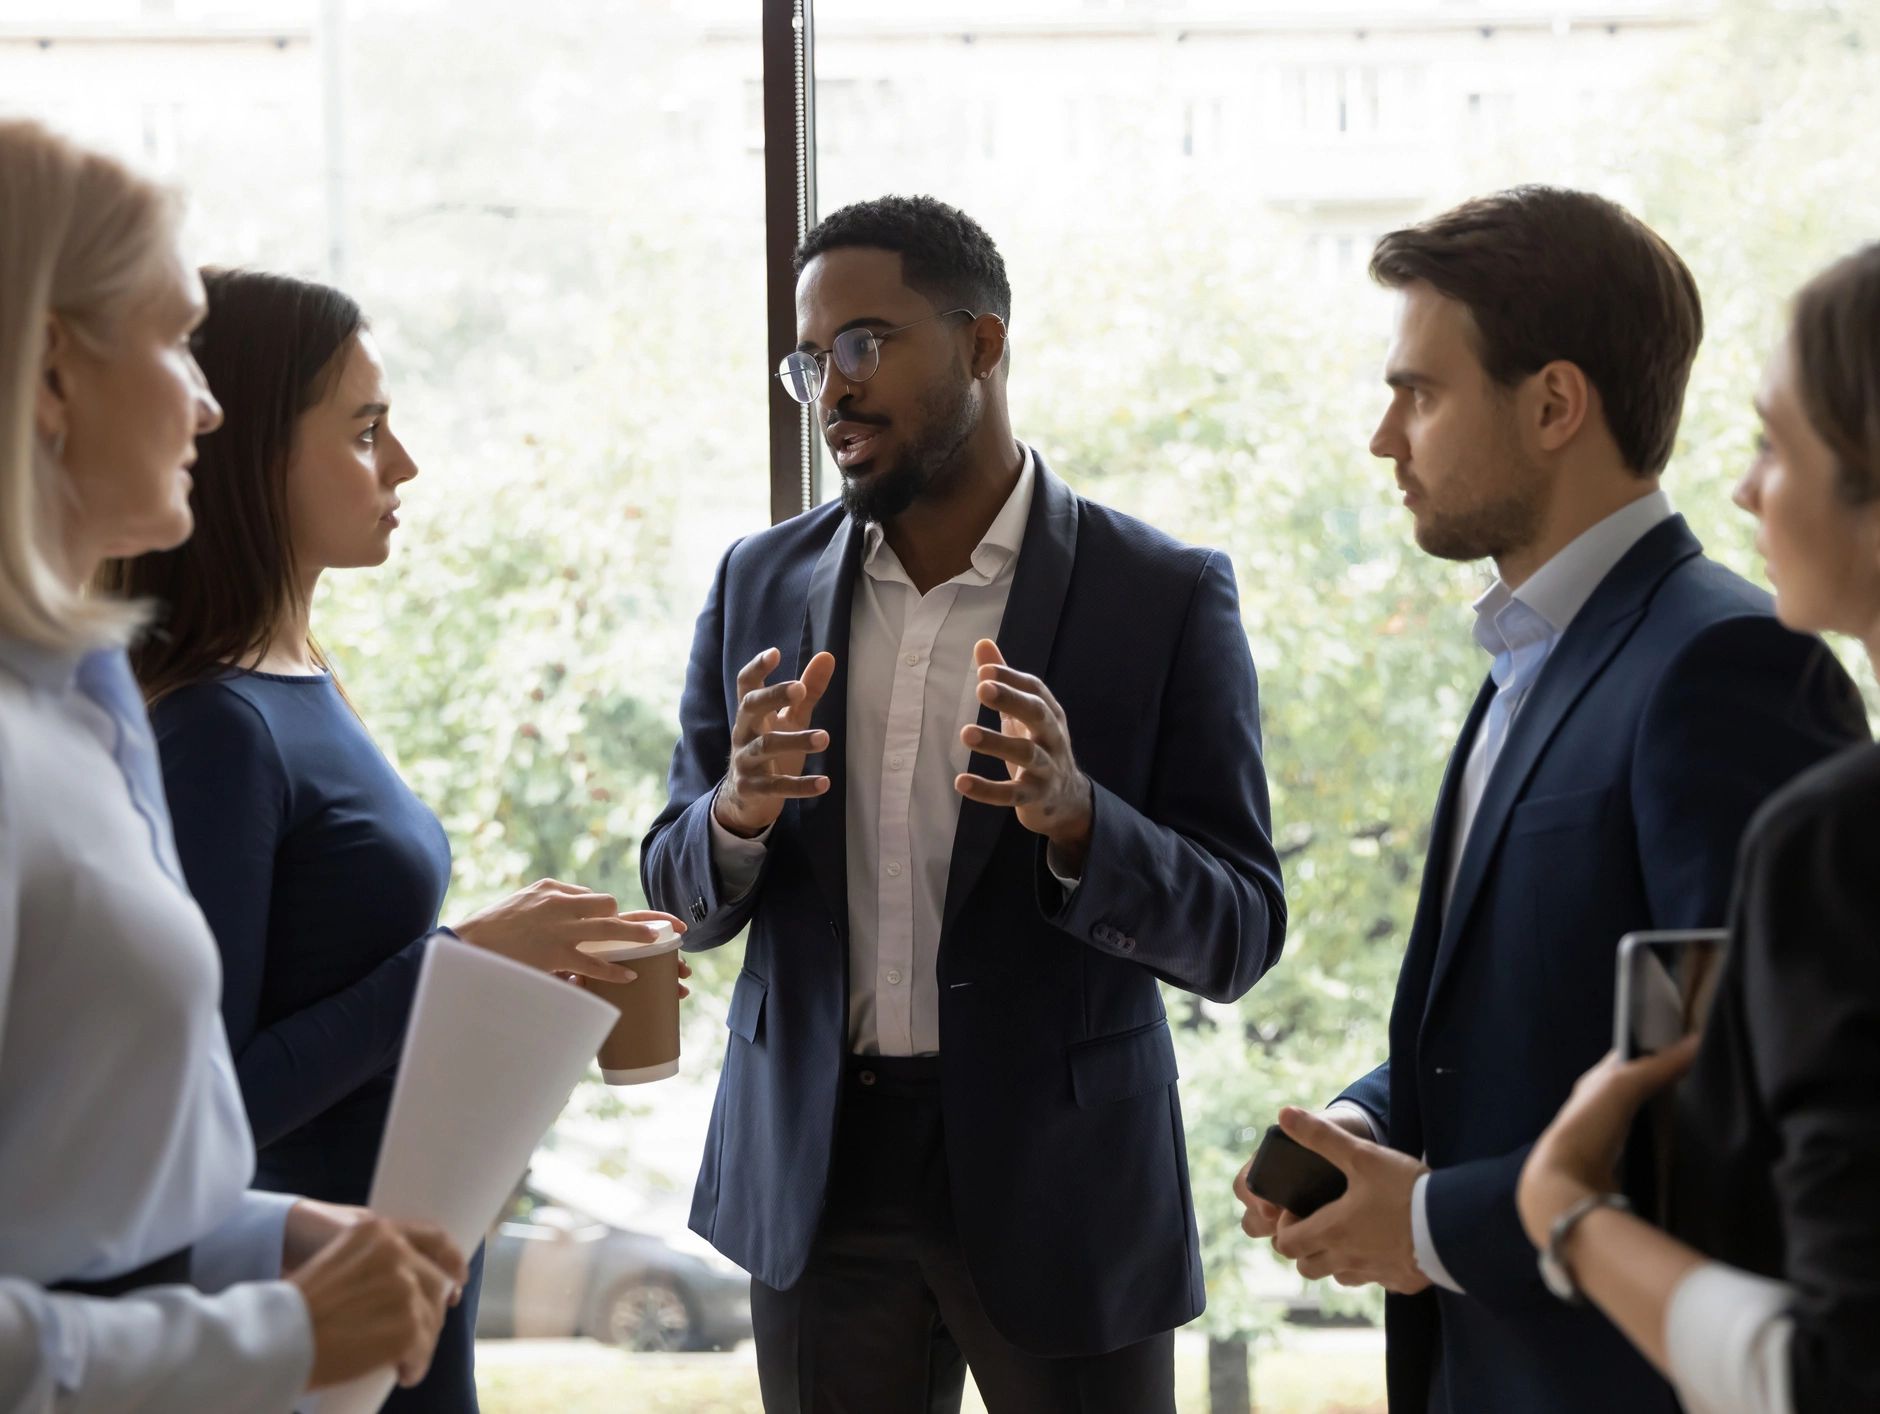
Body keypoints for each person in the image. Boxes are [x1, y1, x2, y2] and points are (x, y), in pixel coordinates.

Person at [641, 194, 1285, 1413]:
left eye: (863, 344)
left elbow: (1241, 927)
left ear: (983, 344)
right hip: (816, 1185)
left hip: (1065, 1188)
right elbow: (676, 887)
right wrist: (733, 811)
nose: (830, 387)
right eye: (808, 359)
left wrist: (1079, 817)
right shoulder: (756, 580)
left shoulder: (1159, 595)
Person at [1231, 187, 1868, 1413]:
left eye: (1416, 391)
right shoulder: (1522, 662)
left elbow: (1724, 1100)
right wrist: (1367, 1124)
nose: (1381, 436)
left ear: (1552, 404)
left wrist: (1422, 1222)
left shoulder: (1725, 664)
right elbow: (1532, 1015)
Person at [96, 267, 688, 1411]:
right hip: (311, 1313)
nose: (402, 463)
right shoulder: (218, 727)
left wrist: (499, 994)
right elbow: (209, 1109)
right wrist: (461, 965)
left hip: (399, 1273)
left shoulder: (305, 682)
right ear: (254, 450)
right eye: (365, 431)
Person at [0, 117, 466, 1410]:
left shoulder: (85, 705)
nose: (204, 397)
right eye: (170, 335)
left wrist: (258, 1239)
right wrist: (267, 1335)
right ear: (49, 374)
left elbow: (69, 1188)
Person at [1517, 242, 1880, 1413]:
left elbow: (1833, 1372)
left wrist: (1562, 1208)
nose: (1742, 488)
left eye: (1775, 442)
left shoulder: (1833, 837)